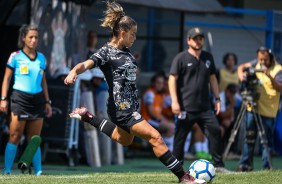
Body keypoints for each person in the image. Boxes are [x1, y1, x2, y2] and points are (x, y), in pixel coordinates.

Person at [64, 1, 195, 183]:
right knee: (156, 137)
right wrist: (73, 72)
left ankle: (88, 117)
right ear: (123, 33)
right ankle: (184, 177)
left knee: (124, 140)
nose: (135, 38)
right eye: (133, 34)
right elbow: (85, 64)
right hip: (121, 108)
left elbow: (126, 74)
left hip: (131, 106)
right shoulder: (106, 52)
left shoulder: (127, 51)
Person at [168, 27, 229, 172]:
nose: (198, 41)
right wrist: (174, 101)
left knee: (215, 131)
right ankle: (177, 169)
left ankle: (219, 166)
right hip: (185, 107)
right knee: (180, 139)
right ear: (188, 40)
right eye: (195, 38)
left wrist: (217, 99)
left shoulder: (208, 57)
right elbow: (172, 79)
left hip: (205, 107)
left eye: (200, 38)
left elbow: (213, 78)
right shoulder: (180, 58)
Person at [0, 25, 52, 175]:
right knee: (14, 136)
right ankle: (8, 170)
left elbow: (43, 82)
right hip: (19, 99)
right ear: (23, 37)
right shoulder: (15, 56)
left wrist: (47, 102)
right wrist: (3, 99)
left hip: (37, 101)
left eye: (36, 37)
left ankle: (39, 171)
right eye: (30, 37)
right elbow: (6, 79)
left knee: (34, 139)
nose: (34, 40)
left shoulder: (42, 58)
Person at [237, 46, 282, 171]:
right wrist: (241, 75)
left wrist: (269, 75)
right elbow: (241, 67)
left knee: (265, 140)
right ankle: (245, 165)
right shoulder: (256, 63)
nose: (262, 62)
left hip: (268, 110)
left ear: (271, 57)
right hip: (253, 106)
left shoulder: (278, 69)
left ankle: (266, 167)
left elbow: (280, 88)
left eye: (265, 60)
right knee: (249, 136)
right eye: (260, 59)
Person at [141, 72, 175, 151]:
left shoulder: (159, 95)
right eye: (158, 83)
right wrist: (163, 121)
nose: (160, 85)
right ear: (153, 83)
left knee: (172, 125)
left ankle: (167, 149)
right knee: (171, 127)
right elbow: (151, 113)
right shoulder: (149, 93)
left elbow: (159, 113)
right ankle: (166, 151)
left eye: (162, 83)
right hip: (146, 120)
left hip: (154, 120)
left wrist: (166, 120)